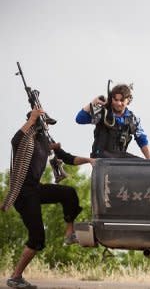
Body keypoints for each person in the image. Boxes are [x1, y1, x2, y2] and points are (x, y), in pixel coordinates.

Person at [1, 109, 95, 289]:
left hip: (36, 189)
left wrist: (90, 160)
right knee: (37, 238)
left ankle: (69, 234)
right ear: (35, 123)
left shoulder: (45, 141)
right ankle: (16, 277)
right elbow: (15, 140)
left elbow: (67, 158)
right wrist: (34, 117)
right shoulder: (25, 140)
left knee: (68, 193)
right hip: (22, 193)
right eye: (44, 123)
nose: (46, 127)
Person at [76, 84, 150, 159]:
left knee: (141, 164)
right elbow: (80, 119)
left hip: (119, 158)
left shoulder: (132, 120)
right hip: (100, 157)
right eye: (115, 100)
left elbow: (142, 140)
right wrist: (93, 102)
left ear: (128, 100)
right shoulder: (102, 114)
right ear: (111, 99)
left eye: (122, 100)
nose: (118, 103)